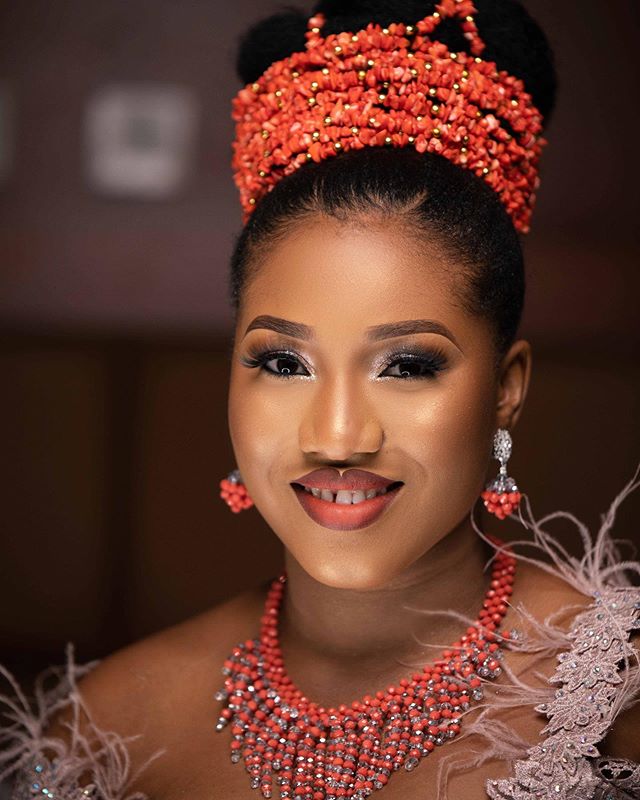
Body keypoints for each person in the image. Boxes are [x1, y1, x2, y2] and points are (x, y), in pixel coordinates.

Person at [2, 1, 639, 798]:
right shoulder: (109, 731)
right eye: (283, 362)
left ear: (506, 389)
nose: (337, 436)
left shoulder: (613, 706)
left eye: (406, 366)